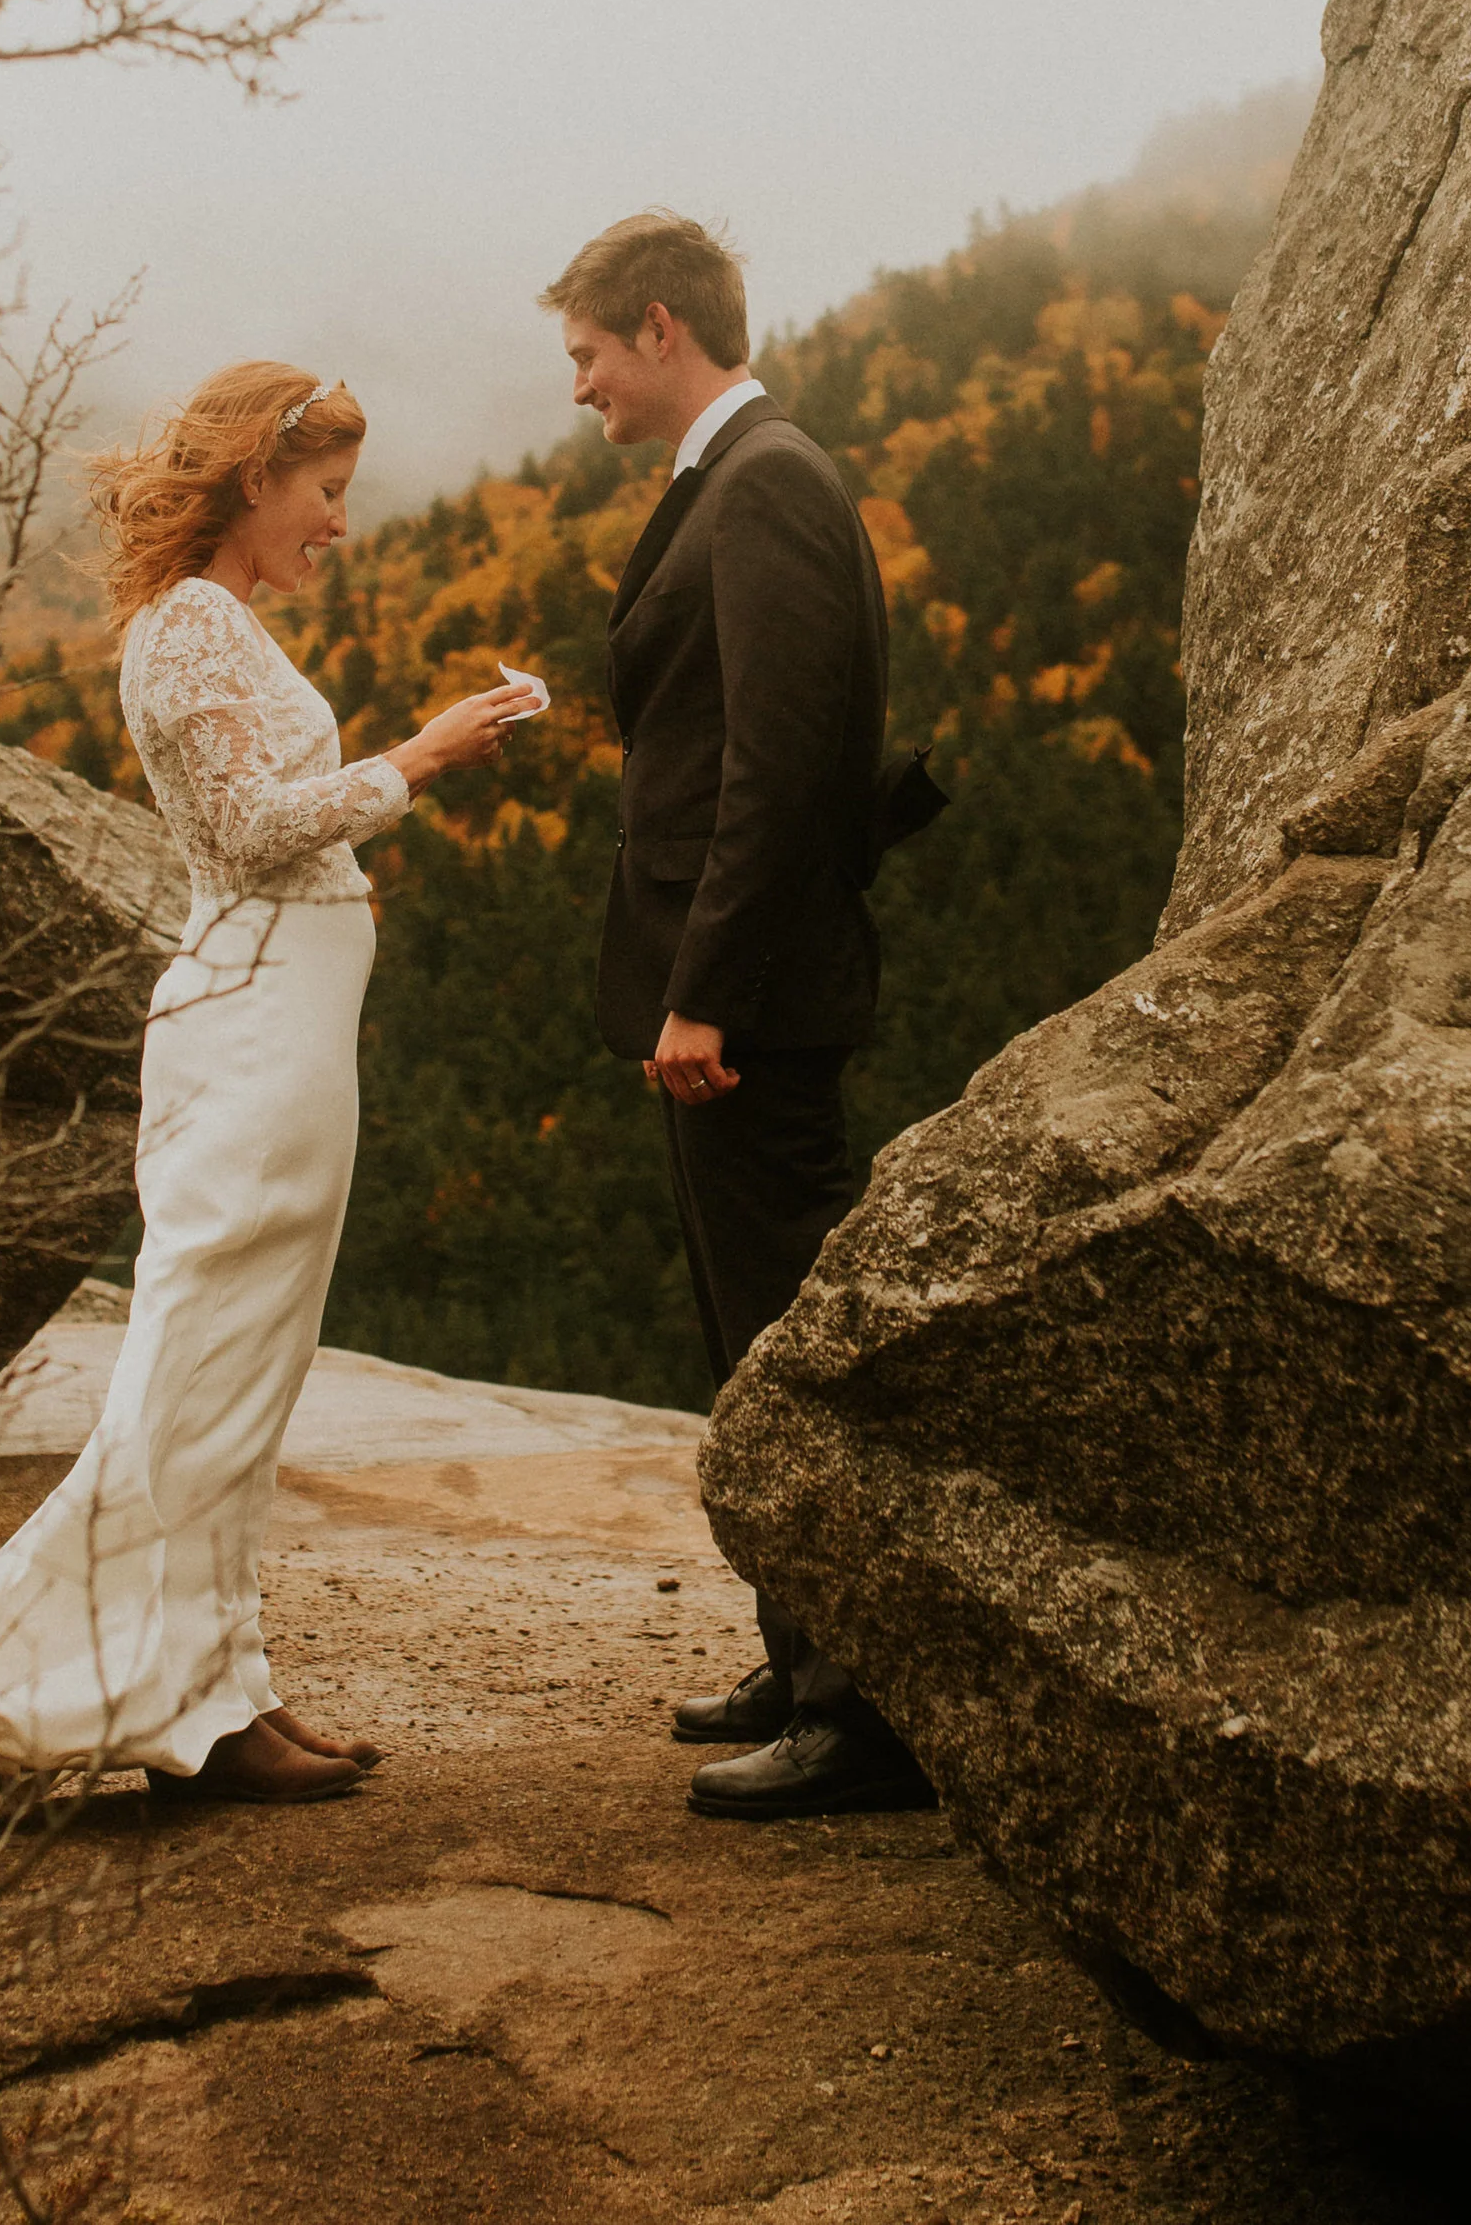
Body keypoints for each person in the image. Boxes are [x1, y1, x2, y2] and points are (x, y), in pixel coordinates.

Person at [0, 364, 527, 1835]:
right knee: (194, 1380)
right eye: (326, 492)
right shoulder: (183, 630)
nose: (342, 526)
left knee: (245, 1380)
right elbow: (246, 832)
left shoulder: (218, 624)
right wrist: (416, 757)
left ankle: (219, 1687)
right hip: (248, 1032)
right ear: (257, 480)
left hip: (284, 1028)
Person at [541, 213, 933, 1822]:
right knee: (747, 1341)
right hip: (731, 994)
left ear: (656, 326)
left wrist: (703, 990)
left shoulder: (765, 478)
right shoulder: (741, 473)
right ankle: (802, 1645)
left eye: (584, 357)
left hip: (747, 1004)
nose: (577, 392)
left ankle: (863, 1712)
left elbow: (775, 761)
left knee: (785, 1346)